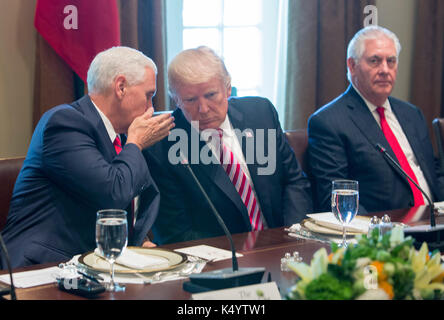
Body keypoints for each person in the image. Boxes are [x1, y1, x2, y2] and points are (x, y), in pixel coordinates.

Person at [2, 46, 174, 268]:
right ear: (121, 87)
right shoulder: (64, 123)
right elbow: (112, 193)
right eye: (148, 95)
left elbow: (131, 201)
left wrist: (139, 241)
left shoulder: (121, 137)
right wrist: (136, 143)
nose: (151, 107)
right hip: (43, 268)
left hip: (98, 265)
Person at [145, 46, 313, 245]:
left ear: (227, 87)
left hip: (283, 244)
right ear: (176, 100)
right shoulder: (163, 148)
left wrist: (293, 237)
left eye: (210, 95)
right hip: (222, 261)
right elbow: (177, 234)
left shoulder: (260, 113)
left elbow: (294, 182)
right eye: (190, 100)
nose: (204, 109)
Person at [308, 26, 444, 214]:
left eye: (391, 61)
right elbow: (336, 199)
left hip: (434, 223)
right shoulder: (328, 122)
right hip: (386, 232)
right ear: (352, 66)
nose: (385, 70)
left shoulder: (412, 114)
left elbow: (434, 173)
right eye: (375, 61)